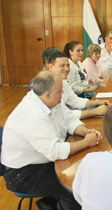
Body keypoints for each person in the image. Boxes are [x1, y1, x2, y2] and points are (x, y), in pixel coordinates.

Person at [1, 71, 102, 210]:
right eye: (60, 91)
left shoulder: (49, 99)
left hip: (43, 159)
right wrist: (86, 142)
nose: (63, 94)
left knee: (82, 175)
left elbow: (69, 119)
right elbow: (55, 152)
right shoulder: (32, 114)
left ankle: (51, 203)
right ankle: (56, 205)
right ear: (48, 93)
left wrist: (86, 132)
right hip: (23, 173)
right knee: (76, 191)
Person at [48, 50, 111, 119]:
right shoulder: (47, 86)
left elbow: (76, 101)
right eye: (62, 66)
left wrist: (97, 102)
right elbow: (65, 115)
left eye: (68, 65)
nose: (66, 69)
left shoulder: (63, 82)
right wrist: (95, 111)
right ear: (50, 67)